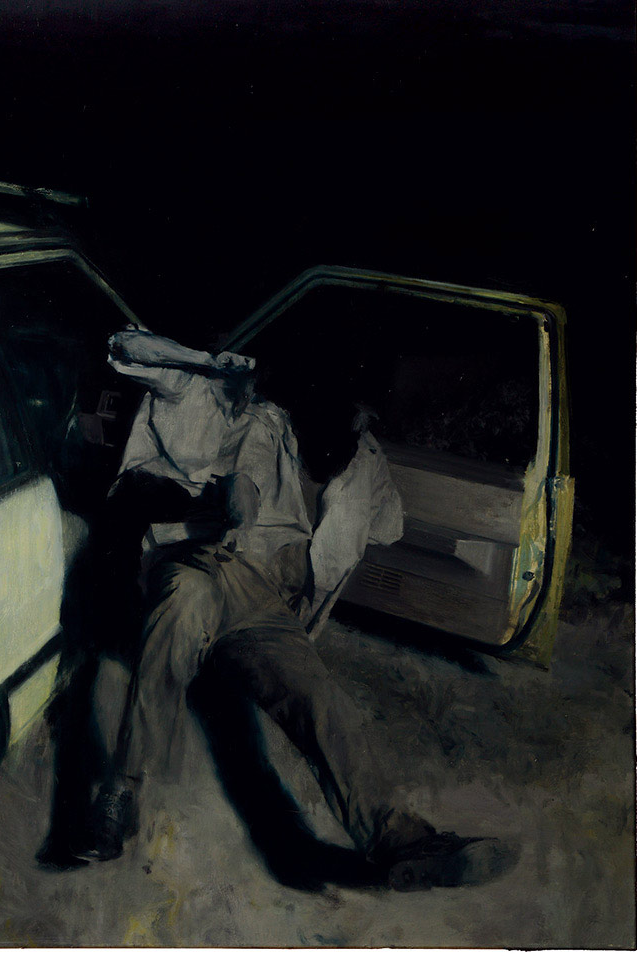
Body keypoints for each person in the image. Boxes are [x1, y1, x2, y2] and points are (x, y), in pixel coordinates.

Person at [68, 326, 512, 891]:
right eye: (348, 410)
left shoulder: (359, 459)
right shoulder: (249, 415)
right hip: (209, 562)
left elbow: (391, 525)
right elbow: (128, 351)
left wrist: (364, 475)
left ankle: (399, 840)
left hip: (267, 607)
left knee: (322, 702)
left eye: (362, 419)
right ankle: (120, 793)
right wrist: (213, 388)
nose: (355, 424)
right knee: (182, 601)